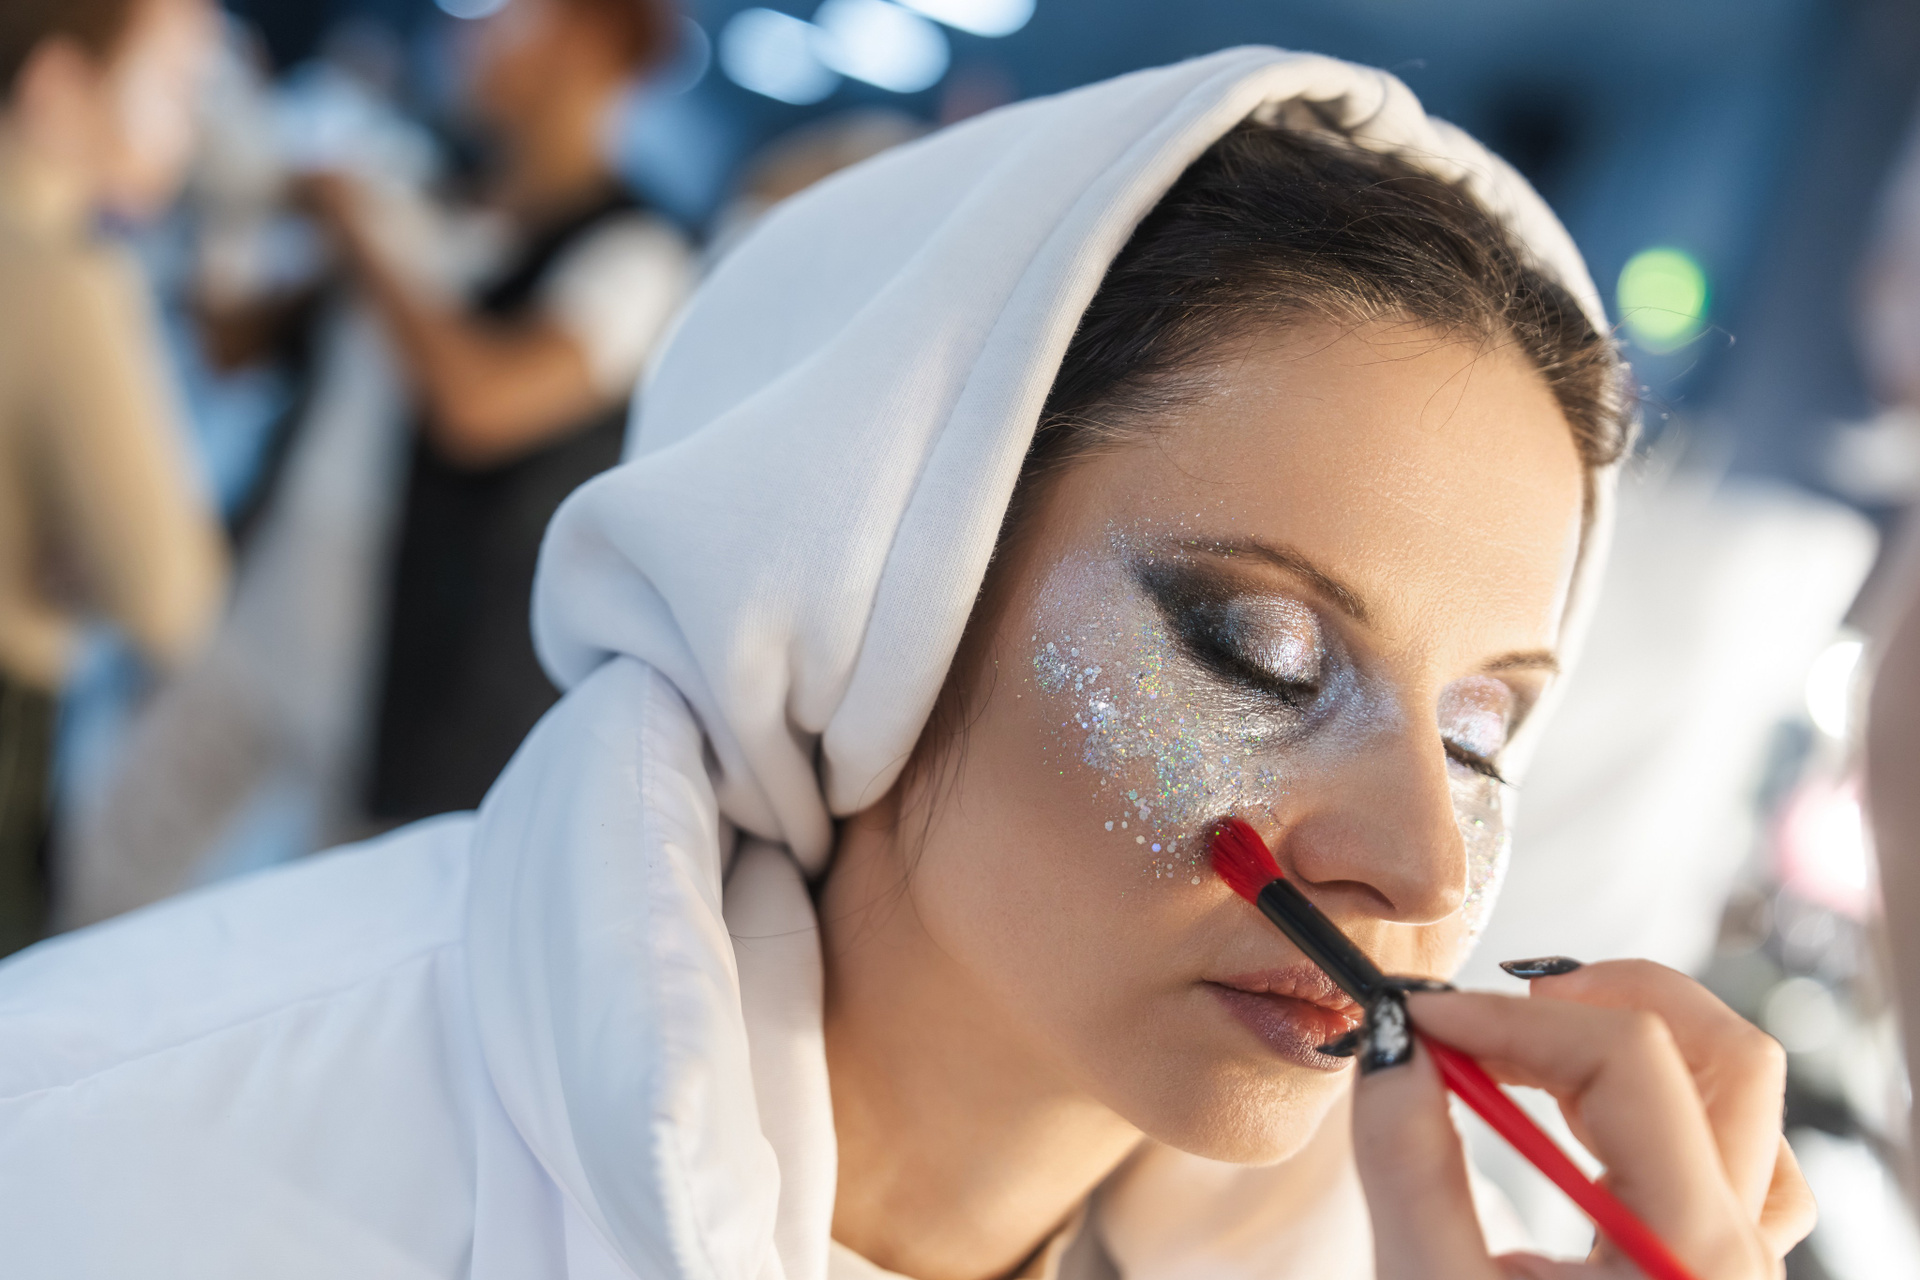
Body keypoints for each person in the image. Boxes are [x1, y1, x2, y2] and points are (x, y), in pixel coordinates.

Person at [0, 49, 1811, 1278]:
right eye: (1261, 652)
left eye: (1484, 730)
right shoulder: (101, 1165)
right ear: (880, 582)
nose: (1422, 868)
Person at [301, 0, 693, 822]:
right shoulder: (438, 200)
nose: (473, 33)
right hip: (300, 621)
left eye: (512, 11)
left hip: (444, 706)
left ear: (587, 42)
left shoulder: (637, 256)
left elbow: (479, 404)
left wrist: (359, 232)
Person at [0, 0, 226, 956]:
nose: (188, 131)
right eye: (171, 89)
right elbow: (171, 597)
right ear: (58, 86)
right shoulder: (68, 277)